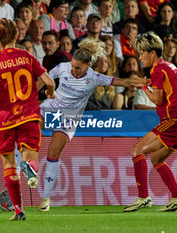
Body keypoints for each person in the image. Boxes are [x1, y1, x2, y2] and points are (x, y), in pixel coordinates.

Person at [38, 38, 149, 212]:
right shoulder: (62, 67)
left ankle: (45, 198)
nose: (74, 70)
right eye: (73, 65)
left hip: (69, 118)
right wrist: (28, 97)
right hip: (50, 109)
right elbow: (42, 80)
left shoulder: (94, 77)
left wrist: (143, 82)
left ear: (88, 65)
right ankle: (25, 165)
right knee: (27, 128)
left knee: (53, 152)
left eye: (78, 68)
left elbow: (123, 82)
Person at [0, 18, 55, 221]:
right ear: (17, 36)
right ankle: (30, 168)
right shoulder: (27, 57)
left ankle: (19, 210)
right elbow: (48, 81)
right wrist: (50, 92)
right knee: (31, 157)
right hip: (28, 114)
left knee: (9, 163)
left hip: (3, 119)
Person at [124, 32, 177, 212]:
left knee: (136, 150)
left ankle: (143, 197)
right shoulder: (168, 66)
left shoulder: (157, 69)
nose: (139, 57)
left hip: (176, 119)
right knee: (156, 158)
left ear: (152, 53)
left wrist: (143, 86)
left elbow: (158, 100)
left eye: (142, 53)